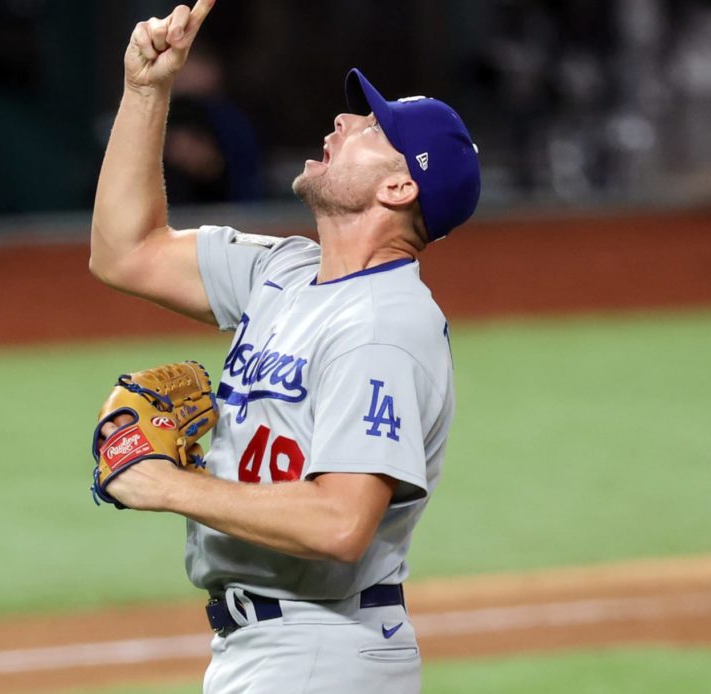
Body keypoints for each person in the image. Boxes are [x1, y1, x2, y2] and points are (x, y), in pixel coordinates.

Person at [88, 1, 480, 691]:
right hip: (277, 650)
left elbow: (339, 523)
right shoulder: (284, 271)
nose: (344, 122)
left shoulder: (383, 326)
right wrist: (147, 91)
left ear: (399, 185)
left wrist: (172, 486)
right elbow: (126, 252)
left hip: (320, 646)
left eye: (372, 127)